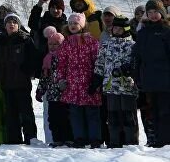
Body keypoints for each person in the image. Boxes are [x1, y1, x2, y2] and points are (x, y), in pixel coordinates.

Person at [0, 13, 38, 145]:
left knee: (26, 112)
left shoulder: (26, 40)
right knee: (11, 114)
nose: (11, 24)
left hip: (22, 83)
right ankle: (14, 140)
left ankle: (31, 138)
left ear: (18, 25)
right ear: (4, 26)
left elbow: (34, 59)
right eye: (9, 22)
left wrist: (26, 70)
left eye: (14, 22)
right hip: (6, 83)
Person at [57, 12, 102, 148]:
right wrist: (61, 79)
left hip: (88, 83)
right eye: (70, 23)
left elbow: (97, 61)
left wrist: (97, 80)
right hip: (72, 84)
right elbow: (62, 63)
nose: (72, 26)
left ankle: (95, 138)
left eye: (75, 23)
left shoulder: (91, 41)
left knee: (91, 112)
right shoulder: (66, 43)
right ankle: (79, 138)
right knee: (75, 113)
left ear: (82, 25)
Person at [93, 15, 138, 147]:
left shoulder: (132, 45)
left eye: (120, 28)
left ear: (126, 29)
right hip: (110, 86)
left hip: (127, 87)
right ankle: (114, 143)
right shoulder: (106, 45)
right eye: (114, 27)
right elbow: (100, 63)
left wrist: (128, 70)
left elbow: (135, 64)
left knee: (128, 116)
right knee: (112, 116)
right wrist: (97, 78)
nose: (116, 30)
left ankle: (131, 143)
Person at [134, 0, 170, 147]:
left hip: (165, 79)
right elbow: (137, 57)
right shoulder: (143, 33)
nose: (153, 15)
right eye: (150, 12)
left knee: (165, 111)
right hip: (148, 79)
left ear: (162, 12)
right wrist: (137, 76)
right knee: (151, 111)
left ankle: (165, 141)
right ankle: (155, 140)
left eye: (156, 12)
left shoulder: (167, 31)